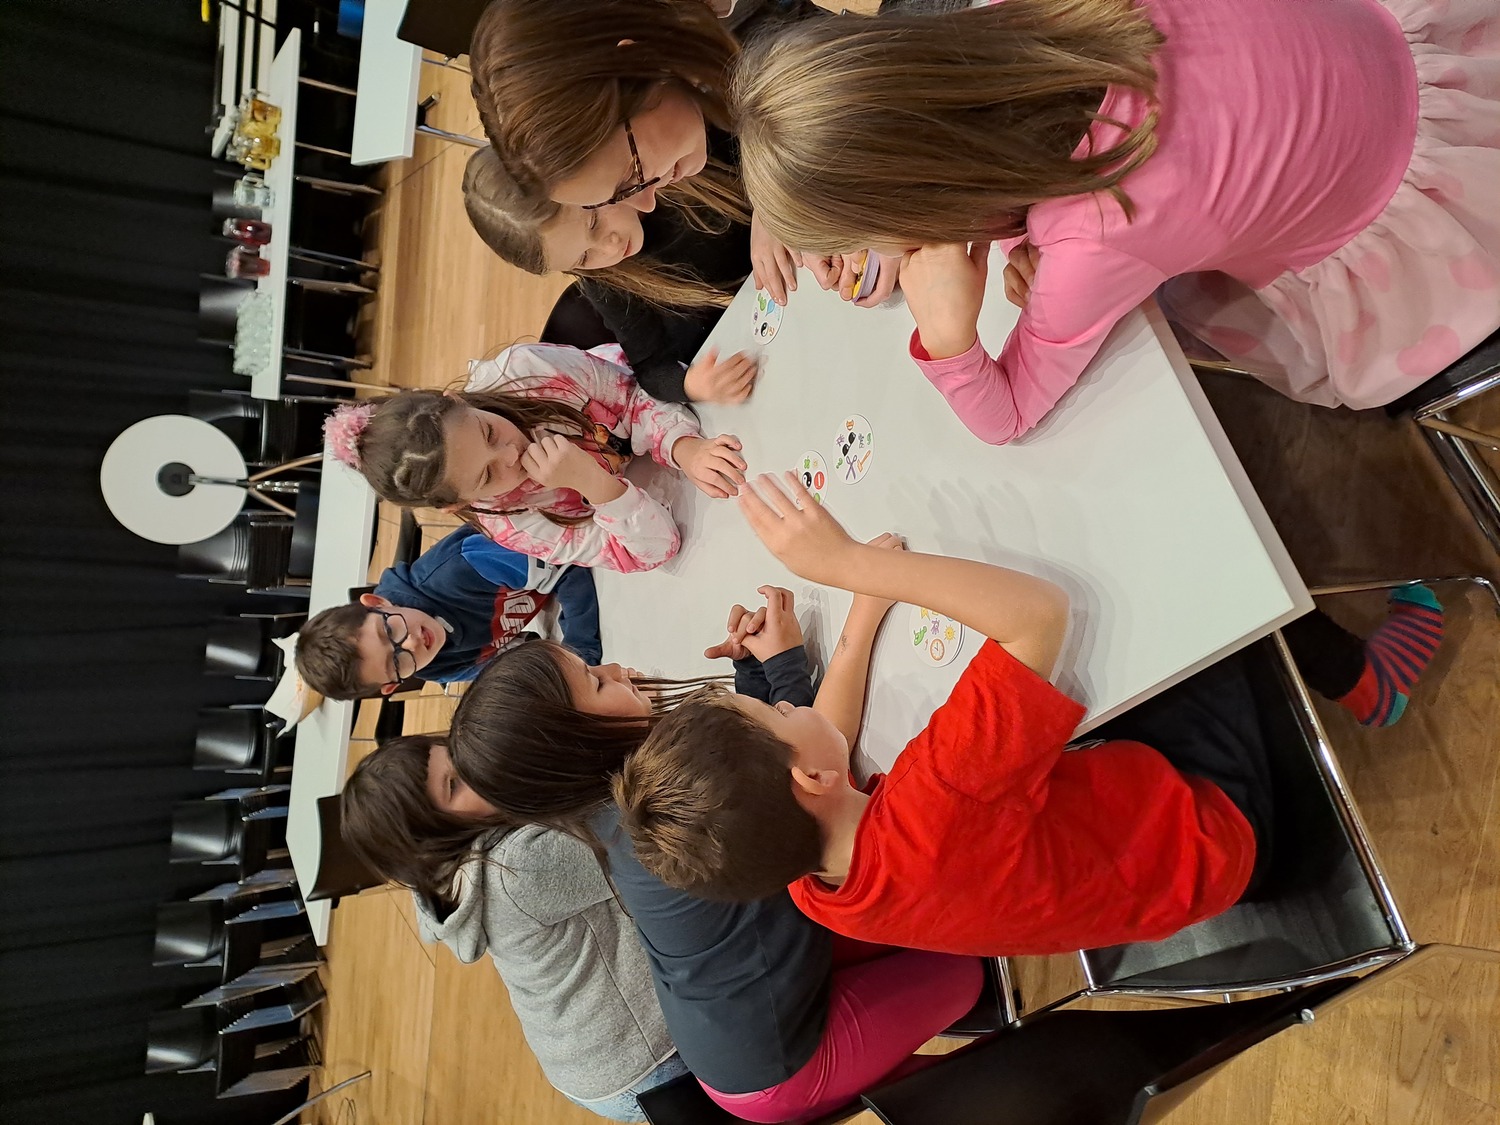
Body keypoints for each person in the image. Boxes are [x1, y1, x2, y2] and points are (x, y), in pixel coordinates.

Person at [728, 0, 1500, 441]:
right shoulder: (1015, 15)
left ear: (914, 201)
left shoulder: (1097, 231)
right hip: (1424, 53)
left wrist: (953, 336)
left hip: (1430, 215)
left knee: (1183, 310)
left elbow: (1009, 416)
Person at [615, 472, 1276, 956]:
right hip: (1212, 832)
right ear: (810, 778)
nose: (791, 701)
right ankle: (1338, 672)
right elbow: (1039, 616)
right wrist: (849, 564)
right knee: (1202, 569)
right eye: (780, 711)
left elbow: (826, 743)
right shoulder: (941, 796)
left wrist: (859, 619)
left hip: (1135, 876)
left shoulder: (809, 879)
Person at [446, 580, 983, 1122]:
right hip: (773, 1068)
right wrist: (808, 653)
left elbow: (763, 763)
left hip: (766, 992)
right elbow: (814, 758)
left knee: (926, 915)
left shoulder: (633, 794)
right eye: (596, 681)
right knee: (964, 972)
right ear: (576, 742)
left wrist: (754, 675)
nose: (615, 670)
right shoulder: (654, 826)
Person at [466, 0, 905, 310]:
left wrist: (895, 197)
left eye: (633, 174)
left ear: (638, 64)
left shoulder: (751, 37)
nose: (647, 203)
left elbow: (908, 46)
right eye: (617, 197)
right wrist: (811, 198)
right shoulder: (699, 80)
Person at [338, 735, 686, 1121]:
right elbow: (647, 836)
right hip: (639, 1057)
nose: (473, 771)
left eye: (457, 757)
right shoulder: (516, 868)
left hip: (587, 1062)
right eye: (453, 785)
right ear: (430, 840)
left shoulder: (453, 876)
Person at [323, 342, 745, 572]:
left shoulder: (526, 371)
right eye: (488, 475)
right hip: (658, 495)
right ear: (458, 504)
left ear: (458, 400)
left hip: (686, 409)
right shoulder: (512, 524)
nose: (511, 453)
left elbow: (635, 396)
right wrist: (595, 485)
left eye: (489, 432)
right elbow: (654, 550)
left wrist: (683, 447)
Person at [463, 146, 759, 405]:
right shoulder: (606, 281)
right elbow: (651, 367)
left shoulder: (678, 159)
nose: (610, 248)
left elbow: (764, 152)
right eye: (583, 258)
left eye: (594, 222)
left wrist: (767, 213)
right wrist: (691, 386)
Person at [293, 524, 602, 700]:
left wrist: (580, 655)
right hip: (561, 590)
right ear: (393, 684)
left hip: (583, 535)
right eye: (396, 662)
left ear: (377, 603)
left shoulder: (460, 569)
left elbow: (567, 566)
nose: (412, 643)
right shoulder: (436, 668)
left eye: (389, 631)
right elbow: (519, 654)